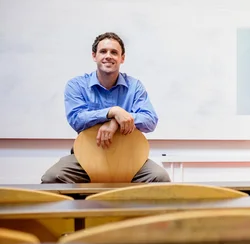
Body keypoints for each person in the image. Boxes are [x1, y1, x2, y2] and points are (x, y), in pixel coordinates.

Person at [41, 32, 171, 183]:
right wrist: (112, 112)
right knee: (51, 178)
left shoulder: (134, 86)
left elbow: (150, 120)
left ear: (122, 58)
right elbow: (77, 119)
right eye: (103, 51)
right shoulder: (76, 85)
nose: (108, 56)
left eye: (114, 52)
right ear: (94, 56)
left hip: (130, 157)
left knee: (160, 178)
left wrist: (115, 121)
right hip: (85, 157)